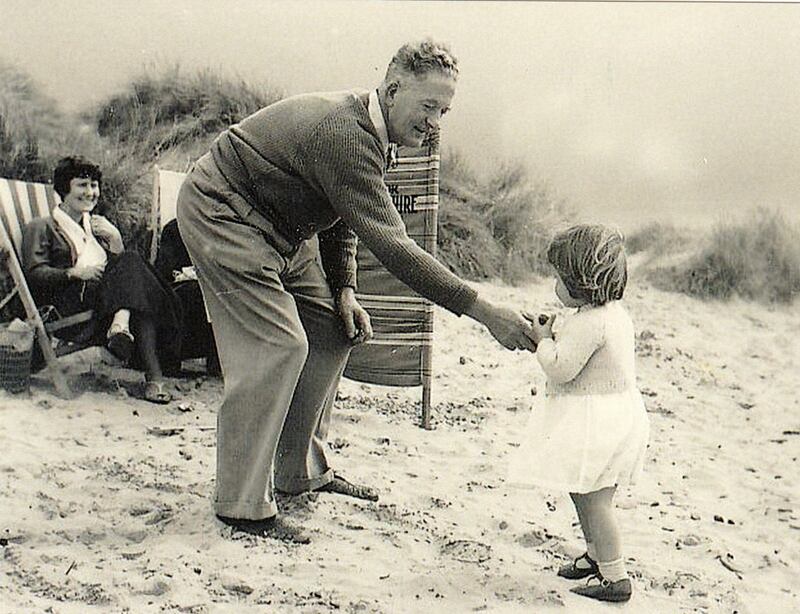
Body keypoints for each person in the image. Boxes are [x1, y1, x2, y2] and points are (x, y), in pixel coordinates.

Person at [177, 39, 537, 542]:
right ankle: (239, 504)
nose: (436, 122)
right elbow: (393, 246)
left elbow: (343, 210)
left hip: (285, 228)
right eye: (428, 106)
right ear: (392, 91)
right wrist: (485, 311)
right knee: (278, 347)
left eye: (445, 110)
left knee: (332, 328)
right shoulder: (345, 133)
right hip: (224, 213)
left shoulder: (374, 132)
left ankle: (297, 473)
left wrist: (344, 289)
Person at [508, 224, 650, 603]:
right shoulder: (607, 314)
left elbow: (560, 368)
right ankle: (596, 555)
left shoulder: (592, 322)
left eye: (559, 278)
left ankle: (616, 576)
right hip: (610, 418)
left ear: (579, 282)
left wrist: (543, 342)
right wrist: (552, 332)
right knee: (582, 491)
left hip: (601, 426)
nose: (554, 286)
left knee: (595, 500)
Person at [21, 156, 181, 404]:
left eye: (94, 185)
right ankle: (150, 371)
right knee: (136, 282)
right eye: (82, 185)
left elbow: (120, 270)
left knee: (133, 280)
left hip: (102, 299)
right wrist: (72, 273)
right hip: (67, 307)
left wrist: (115, 239)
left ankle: (122, 324)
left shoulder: (96, 227)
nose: (90, 192)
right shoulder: (41, 227)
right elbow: (34, 273)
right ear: (65, 188)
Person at [154, 219, 220, 376]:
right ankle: (170, 361)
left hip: (213, 294)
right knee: (192, 293)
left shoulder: (221, 230)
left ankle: (218, 361)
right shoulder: (175, 229)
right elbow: (165, 272)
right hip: (183, 296)